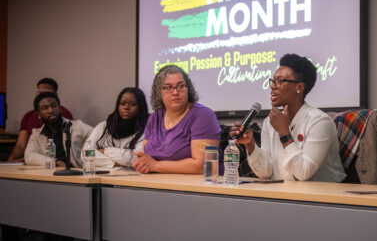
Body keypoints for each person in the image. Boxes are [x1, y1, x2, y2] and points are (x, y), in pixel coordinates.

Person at [231, 53, 346, 182]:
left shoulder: (319, 121)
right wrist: (250, 145)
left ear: (299, 87)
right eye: (273, 81)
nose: (272, 86)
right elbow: (266, 172)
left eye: (280, 81)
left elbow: (303, 173)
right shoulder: (269, 122)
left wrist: (284, 132)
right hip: (287, 195)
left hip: (324, 198)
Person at [132, 65, 221, 174]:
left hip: (199, 186)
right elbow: (146, 156)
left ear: (188, 88)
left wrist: (156, 165)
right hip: (159, 183)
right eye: (168, 87)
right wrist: (142, 164)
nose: (175, 92)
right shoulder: (154, 117)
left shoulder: (203, 115)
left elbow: (204, 165)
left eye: (181, 86)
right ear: (158, 92)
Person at [7, 78, 73, 162]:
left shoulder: (62, 114)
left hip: (52, 160)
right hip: (32, 158)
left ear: (56, 94)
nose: (43, 94)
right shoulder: (28, 116)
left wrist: (27, 159)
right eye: (40, 91)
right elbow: (21, 145)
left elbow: (64, 149)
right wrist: (11, 160)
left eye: (47, 91)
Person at [83, 87, 149, 169]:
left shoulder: (147, 128)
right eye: (122, 103)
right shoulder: (104, 126)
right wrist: (114, 164)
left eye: (133, 104)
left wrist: (105, 151)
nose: (126, 107)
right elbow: (85, 153)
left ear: (141, 107)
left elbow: (136, 158)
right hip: (101, 176)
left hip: (132, 178)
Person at [24, 92, 92, 168]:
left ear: (60, 108)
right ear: (38, 114)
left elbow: (98, 138)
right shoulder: (37, 134)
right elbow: (29, 156)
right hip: (51, 175)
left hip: (77, 174)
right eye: (45, 108)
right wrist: (56, 163)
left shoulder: (77, 126)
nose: (51, 110)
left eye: (54, 106)